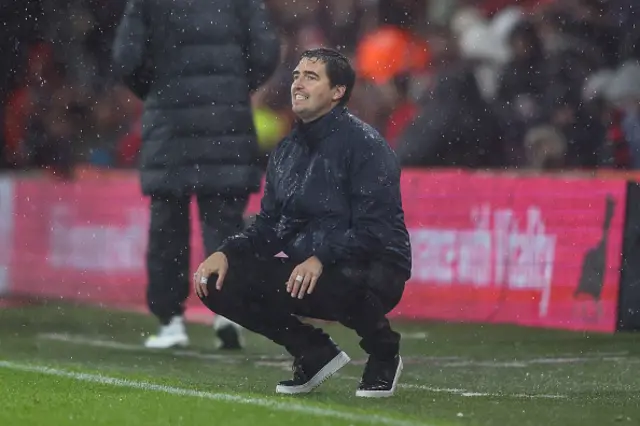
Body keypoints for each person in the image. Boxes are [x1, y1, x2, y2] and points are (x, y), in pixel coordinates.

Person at [193, 48, 412, 397]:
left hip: (375, 266)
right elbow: (269, 226)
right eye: (296, 75)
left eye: (311, 77)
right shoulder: (286, 151)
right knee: (217, 281)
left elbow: (376, 231)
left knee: (345, 275)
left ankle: (384, 351)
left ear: (337, 92)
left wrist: (322, 257)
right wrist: (226, 252)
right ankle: (312, 351)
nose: (297, 83)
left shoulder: (365, 144)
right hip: (309, 267)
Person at [111, 0, 280, 350]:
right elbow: (266, 52)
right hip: (226, 120)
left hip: (169, 123)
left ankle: (171, 321)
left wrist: (159, 88)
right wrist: (230, 84)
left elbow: (126, 58)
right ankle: (227, 312)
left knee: (167, 227)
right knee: (226, 223)